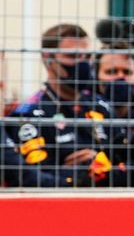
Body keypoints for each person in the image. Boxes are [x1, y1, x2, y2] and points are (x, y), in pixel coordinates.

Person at [1, 24, 122, 188]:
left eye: (87, 57)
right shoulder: (28, 114)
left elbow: (131, 163)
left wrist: (97, 164)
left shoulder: (101, 106)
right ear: (48, 58)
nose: (82, 63)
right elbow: (31, 178)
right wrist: (77, 176)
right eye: (73, 56)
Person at [94, 50, 134, 186]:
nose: (120, 78)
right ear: (96, 77)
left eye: (127, 72)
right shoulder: (83, 118)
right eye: (111, 72)